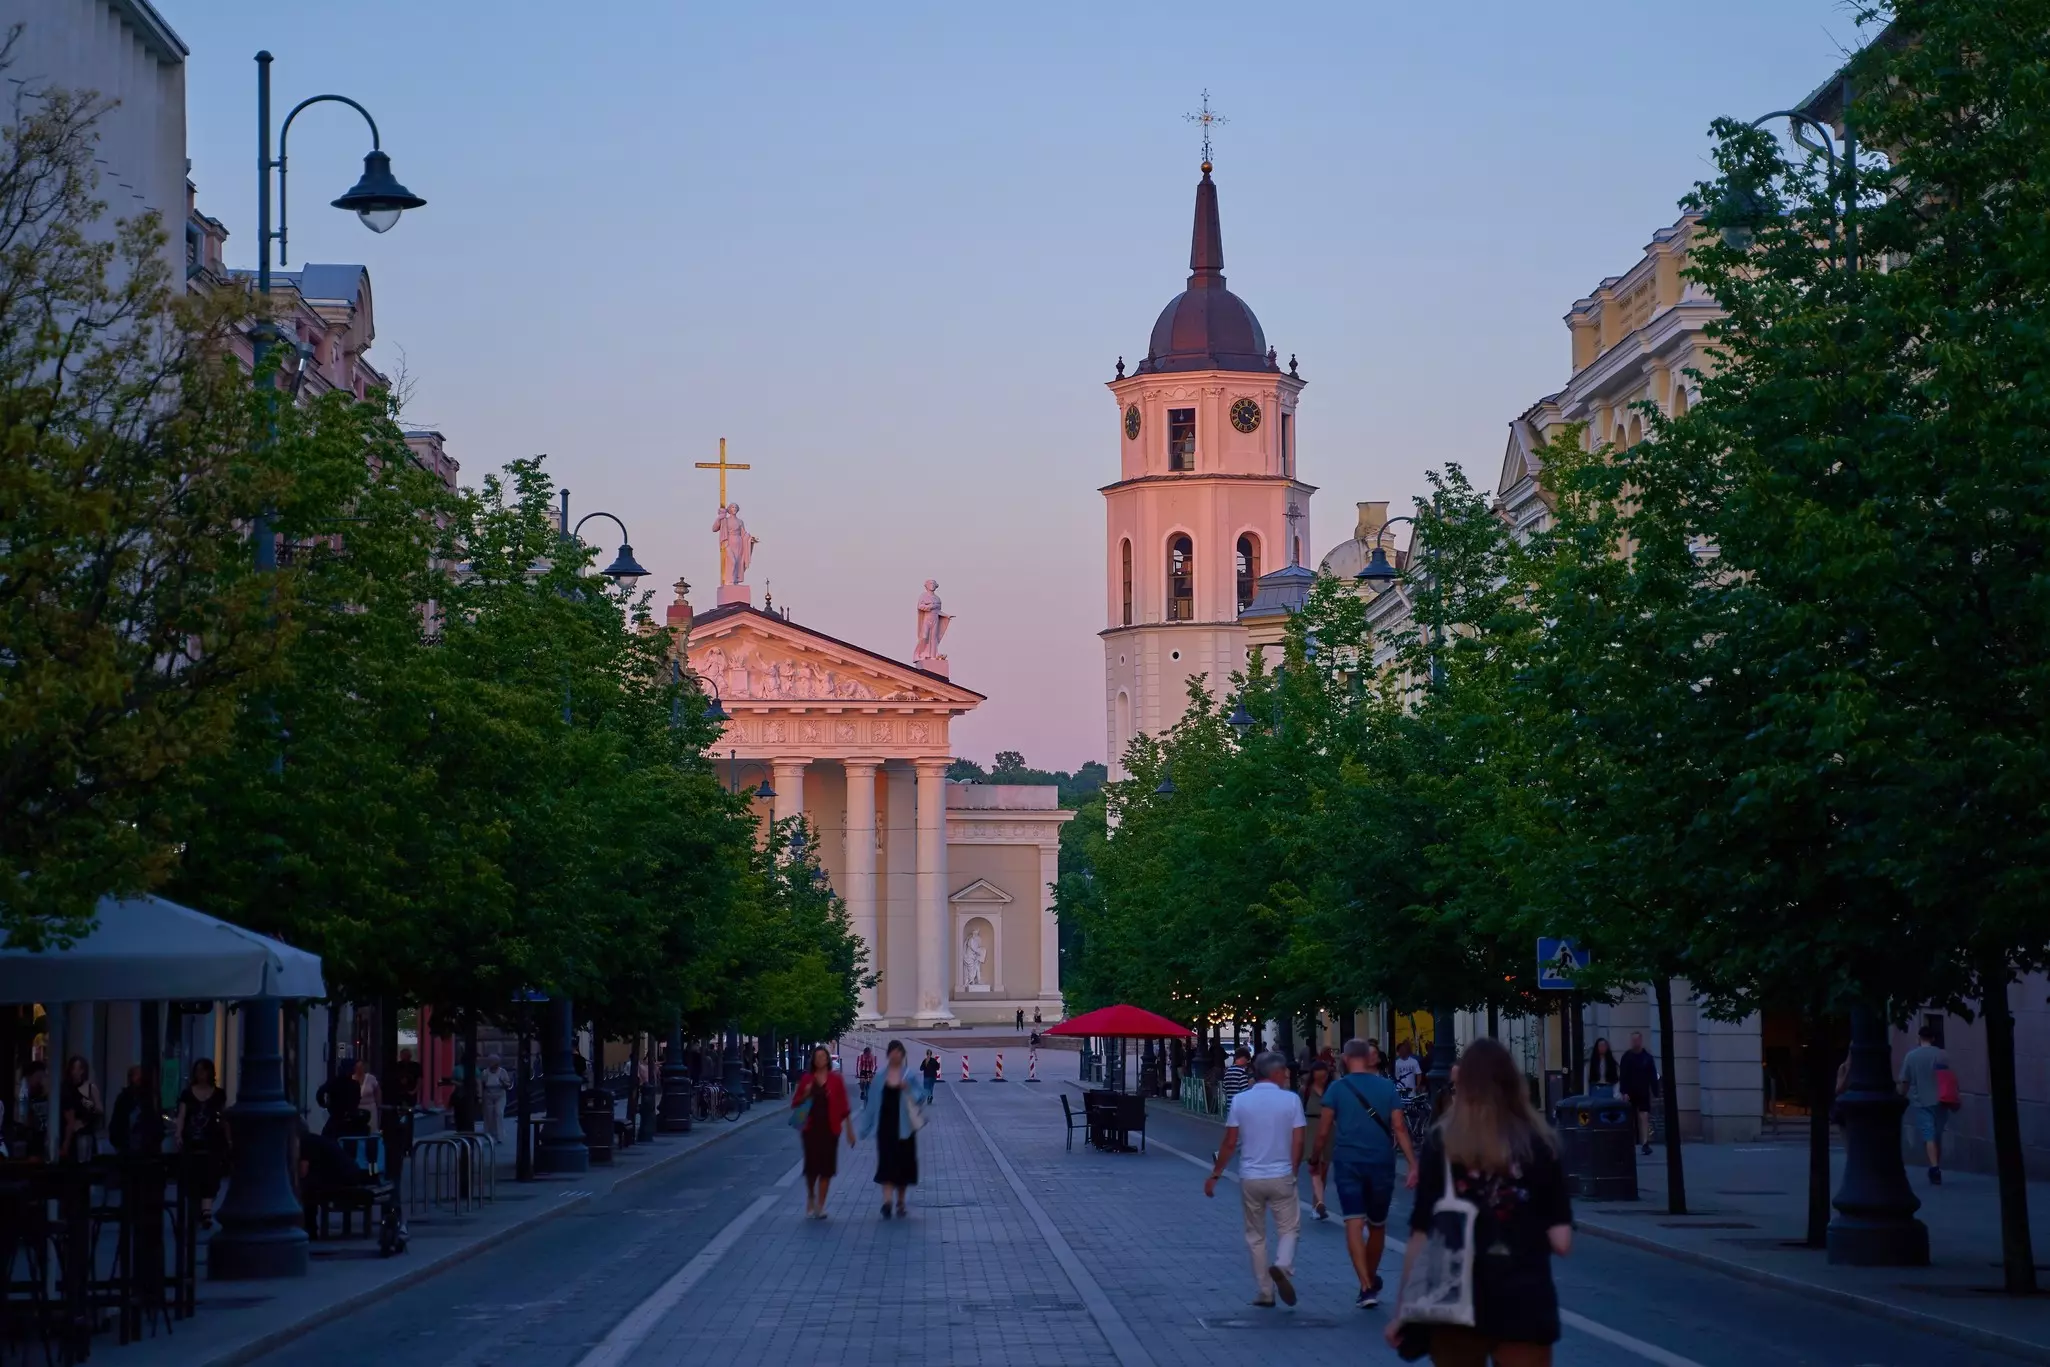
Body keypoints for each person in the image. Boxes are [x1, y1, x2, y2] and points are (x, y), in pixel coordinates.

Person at [1386, 1036, 1573, 1365]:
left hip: (1454, 1300)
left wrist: (1405, 1307)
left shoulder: (1441, 1142)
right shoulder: (1541, 1143)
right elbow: (1561, 1240)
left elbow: (1420, 1232)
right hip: (1524, 1299)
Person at [1319, 1039, 1420, 1308]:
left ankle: (1366, 1286)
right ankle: (1370, 1279)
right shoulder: (1387, 1087)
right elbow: (1399, 1127)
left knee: (1353, 1222)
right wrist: (1413, 1164)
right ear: (1369, 1058)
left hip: (1348, 1162)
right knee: (1377, 1224)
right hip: (1381, 1162)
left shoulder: (1337, 1088)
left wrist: (1315, 1157)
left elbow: (1323, 1128)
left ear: (1346, 1059)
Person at [1204, 1051, 1305, 1308]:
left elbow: (1229, 1142)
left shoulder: (1240, 1101)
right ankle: (1282, 1264)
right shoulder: (1292, 1101)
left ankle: (1265, 1291)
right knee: (1289, 1228)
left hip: (1250, 1176)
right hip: (1281, 1174)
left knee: (1255, 1235)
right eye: (1284, 1072)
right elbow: (1299, 1140)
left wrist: (1216, 1174)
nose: (1286, 1076)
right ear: (1275, 1073)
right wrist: (1293, 1170)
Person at [857, 1040, 924, 1219]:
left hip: (905, 1129)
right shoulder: (879, 1077)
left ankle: (901, 1201)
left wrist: (908, 1089)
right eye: (892, 1052)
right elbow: (871, 1104)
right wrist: (864, 1128)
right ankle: (887, 1202)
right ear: (888, 1054)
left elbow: (921, 1096)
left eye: (899, 1052)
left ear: (903, 1055)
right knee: (886, 1163)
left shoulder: (909, 1076)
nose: (895, 1055)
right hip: (885, 1128)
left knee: (903, 1164)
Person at [790, 1045, 854, 1219]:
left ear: (828, 1060)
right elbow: (795, 1104)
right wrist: (806, 1094)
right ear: (813, 1061)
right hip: (811, 1130)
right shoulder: (806, 1079)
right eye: (817, 1057)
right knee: (812, 1168)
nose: (820, 1060)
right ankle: (811, 1194)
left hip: (830, 1129)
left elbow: (844, 1106)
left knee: (826, 1168)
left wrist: (850, 1131)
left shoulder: (836, 1080)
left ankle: (820, 1205)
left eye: (823, 1057)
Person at [173, 1059, 228, 1228]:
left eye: (204, 1071)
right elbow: (182, 1115)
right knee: (193, 1176)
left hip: (212, 1140)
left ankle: (206, 1212)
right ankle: (199, 1210)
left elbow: (223, 1117)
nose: (201, 1074)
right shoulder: (187, 1094)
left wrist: (229, 1137)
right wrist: (178, 1134)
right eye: (198, 1071)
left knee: (210, 1175)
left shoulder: (218, 1094)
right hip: (192, 1140)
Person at [1898, 1023, 1950, 1185]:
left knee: (1928, 1135)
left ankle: (1934, 1167)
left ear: (1919, 1038)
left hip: (1920, 1101)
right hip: (1941, 1100)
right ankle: (1936, 1165)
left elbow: (1905, 1080)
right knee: (1937, 1134)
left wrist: (1901, 1096)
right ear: (1933, 1038)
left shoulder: (1911, 1056)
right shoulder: (1941, 1055)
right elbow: (1947, 1077)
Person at [1302, 1060, 1334, 1220]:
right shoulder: (1306, 1090)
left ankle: (1318, 1202)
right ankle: (1317, 1204)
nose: (1321, 1080)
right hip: (1312, 1127)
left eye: (1324, 1077)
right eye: (1318, 1077)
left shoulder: (1332, 1089)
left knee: (1325, 1168)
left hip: (1329, 1128)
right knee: (1315, 1167)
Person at [109, 1065, 163, 1157]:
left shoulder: (151, 1098)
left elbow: (157, 1123)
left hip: (147, 1149)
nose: (139, 1078)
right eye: (136, 1075)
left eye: (141, 1075)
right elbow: (116, 1123)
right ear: (130, 1078)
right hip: (127, 1149)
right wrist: (118, 1144)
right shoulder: (123, 1098)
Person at [1619, 1033, 1659, 1155]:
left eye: (1636, 1040)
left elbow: (1652, 1075)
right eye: (1633, 1040)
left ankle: (1645, 1142)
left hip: (1642, 1091)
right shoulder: (1627, 1057)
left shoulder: (1647, 1058)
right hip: (1630, 1091)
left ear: (1641, 1041)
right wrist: (1624, 1091)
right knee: (1630, 1117)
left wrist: (1655, 1090)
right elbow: (1623, 1075)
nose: (1635, 1042)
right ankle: (1630, 1141)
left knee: (1644, 1116)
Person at [60, 1056, 102, 1162]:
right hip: (72, 1135)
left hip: (84, 1133)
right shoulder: (67, 1089)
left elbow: (96, 1110)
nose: (76, 1072)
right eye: (74, 1068)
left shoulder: (87, 1089)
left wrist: (83, 1122)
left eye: (80, 1069)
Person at [317, 1059, 365, 1138]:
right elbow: (357, 1100)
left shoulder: (334, 1082)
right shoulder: (354, 1085)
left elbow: (320, 1093)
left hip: (336, 1119)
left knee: (327, 1138)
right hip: (351, 1120)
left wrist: (324, 1104)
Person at [479, 1053, 513, 1143]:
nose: (494, 1065)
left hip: (500, 1094)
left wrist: (503, 1083)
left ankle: (500, 1136)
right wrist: (481, 1097)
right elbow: (481, 1085)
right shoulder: (485, 1072)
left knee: (499, 1113)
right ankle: (489, 1135)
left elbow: (508, 1084)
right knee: (489, 1116)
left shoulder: (502, 1072)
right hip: (488, 1095)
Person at [1221, 1046, 1253, 1116]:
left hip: (1230, 1109)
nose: (1247, 1063)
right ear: (1243, 1058)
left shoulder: (1227, 1072)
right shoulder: (1242, 1073)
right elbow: (1245, 1093)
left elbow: (1224, 1090)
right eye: (1247, 1060)